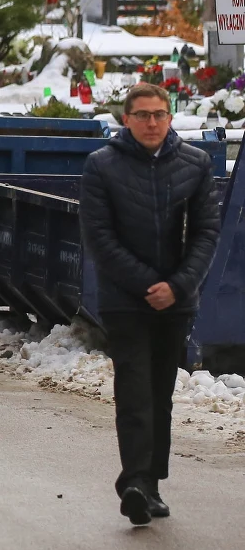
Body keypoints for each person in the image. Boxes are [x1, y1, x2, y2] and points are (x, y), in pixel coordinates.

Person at [80, 82, 221, 525]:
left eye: (159, 114)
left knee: (161, 393)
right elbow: (100, 239)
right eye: (142, 115)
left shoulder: (195, 164)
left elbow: (206, 233)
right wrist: (148, 285)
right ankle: (136, 481)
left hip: (176, 301)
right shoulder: (101, 166)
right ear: (126, 119)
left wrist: (177, 287)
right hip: (126, 301)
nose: (152, 122)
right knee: (135, 389)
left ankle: (151, 483)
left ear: (170, 117)